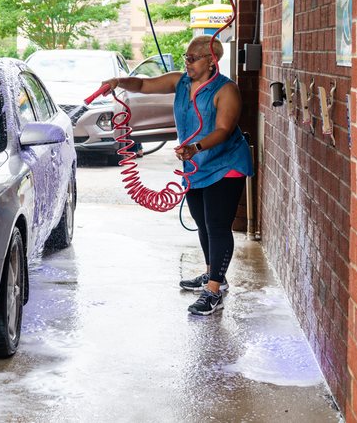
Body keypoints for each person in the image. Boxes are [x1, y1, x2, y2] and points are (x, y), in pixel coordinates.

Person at [101, 36, 254, 316]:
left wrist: (195, 147)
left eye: (193, 58)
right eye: (186, 57)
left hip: (226, 163)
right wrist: (118, 82)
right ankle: (213, 274)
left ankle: (213, 292)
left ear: (212, 61)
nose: (188, 63)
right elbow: (145, 85)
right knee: (202, 222)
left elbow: (222, 129)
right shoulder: (180, 81)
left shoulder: (226, 90)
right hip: (195, 164)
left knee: (218, 225)